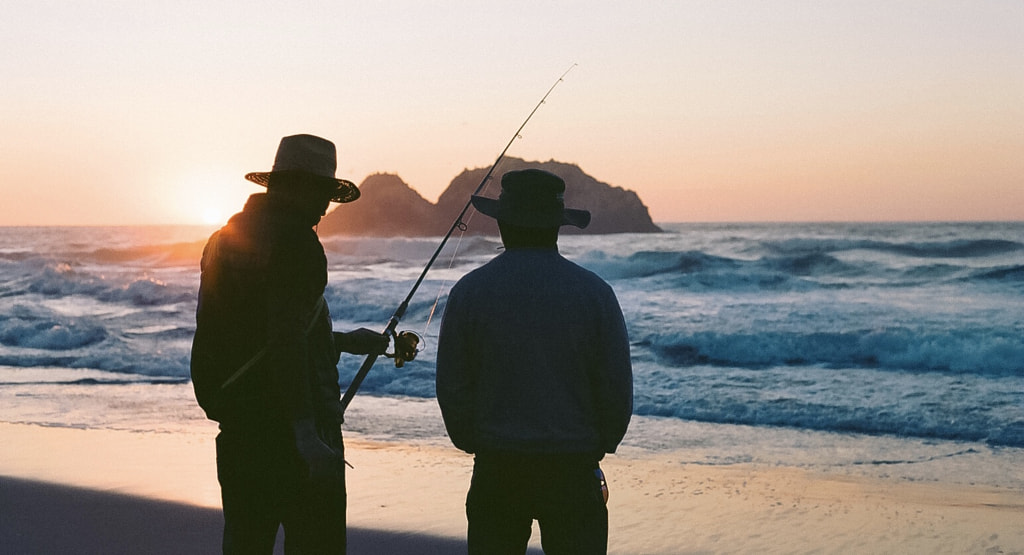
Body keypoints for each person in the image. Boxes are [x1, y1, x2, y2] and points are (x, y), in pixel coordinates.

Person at [190, 134, 387, 554]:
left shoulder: (221, 240)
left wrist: (345, 341)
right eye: (322, 193)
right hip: (298, 436)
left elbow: (257, 333)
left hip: (240, 432)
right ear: (300, 187)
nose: (323, 208)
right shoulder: (298, 243)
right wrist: (305, 435)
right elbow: (283, 341)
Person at [435, 168, 634, 554]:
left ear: (503, 224)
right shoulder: (594, 293)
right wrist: (602, 443)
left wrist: (471, 440)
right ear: (557, 226)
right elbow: (615, 388)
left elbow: (453, 385)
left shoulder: (470, 292)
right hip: (573, 470)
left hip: (497, 467)